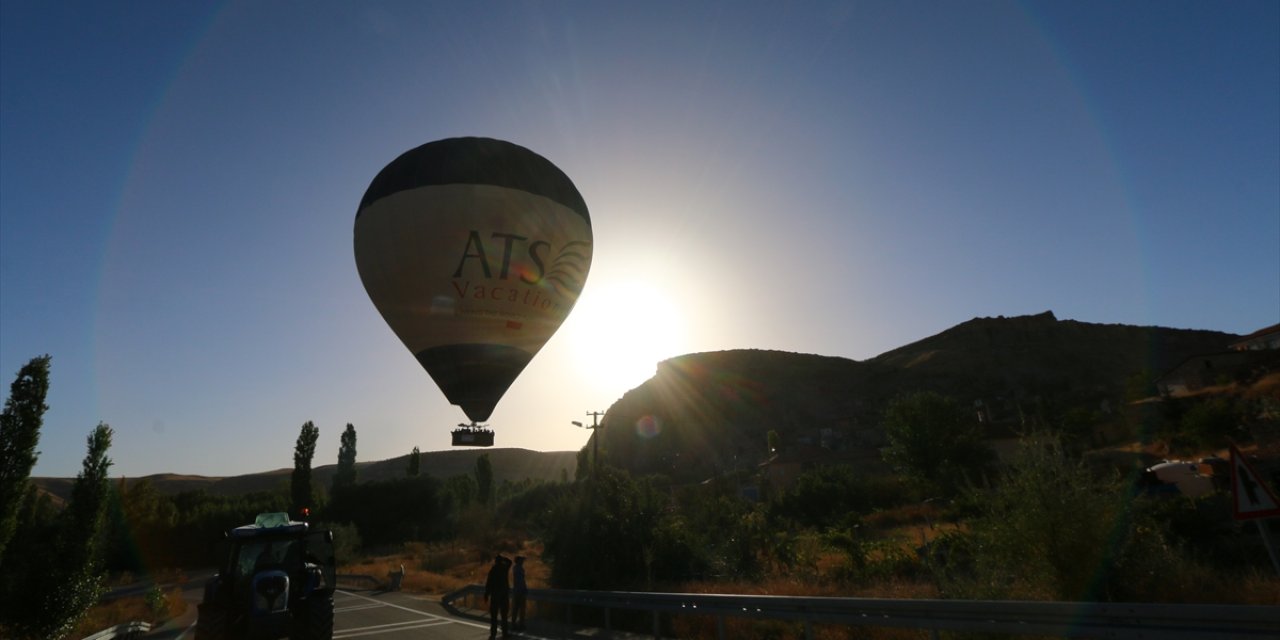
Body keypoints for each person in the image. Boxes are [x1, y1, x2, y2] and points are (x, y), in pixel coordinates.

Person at [483, 554, 512, 639]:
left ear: (495, 561)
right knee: (504, 616)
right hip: (504, 595)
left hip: (495, 595)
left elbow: (489, 583)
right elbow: (510, 562)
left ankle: (493, 635)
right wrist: (504, 558)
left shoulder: (493, 570)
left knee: (494, 617)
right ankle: (505, 634)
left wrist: (486, 594)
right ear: (501, 561)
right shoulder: (504, 568)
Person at [511, 555, 528, 631]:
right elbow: (521, 581)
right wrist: (524, 589)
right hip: (520, 591)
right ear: (518, 561)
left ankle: (514, 624)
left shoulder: (516, 568)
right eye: (521, 560)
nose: (523, 561)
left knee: (516, 608)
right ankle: (520, 625)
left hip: (517, 591)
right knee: (521, 609)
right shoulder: (518, 569)